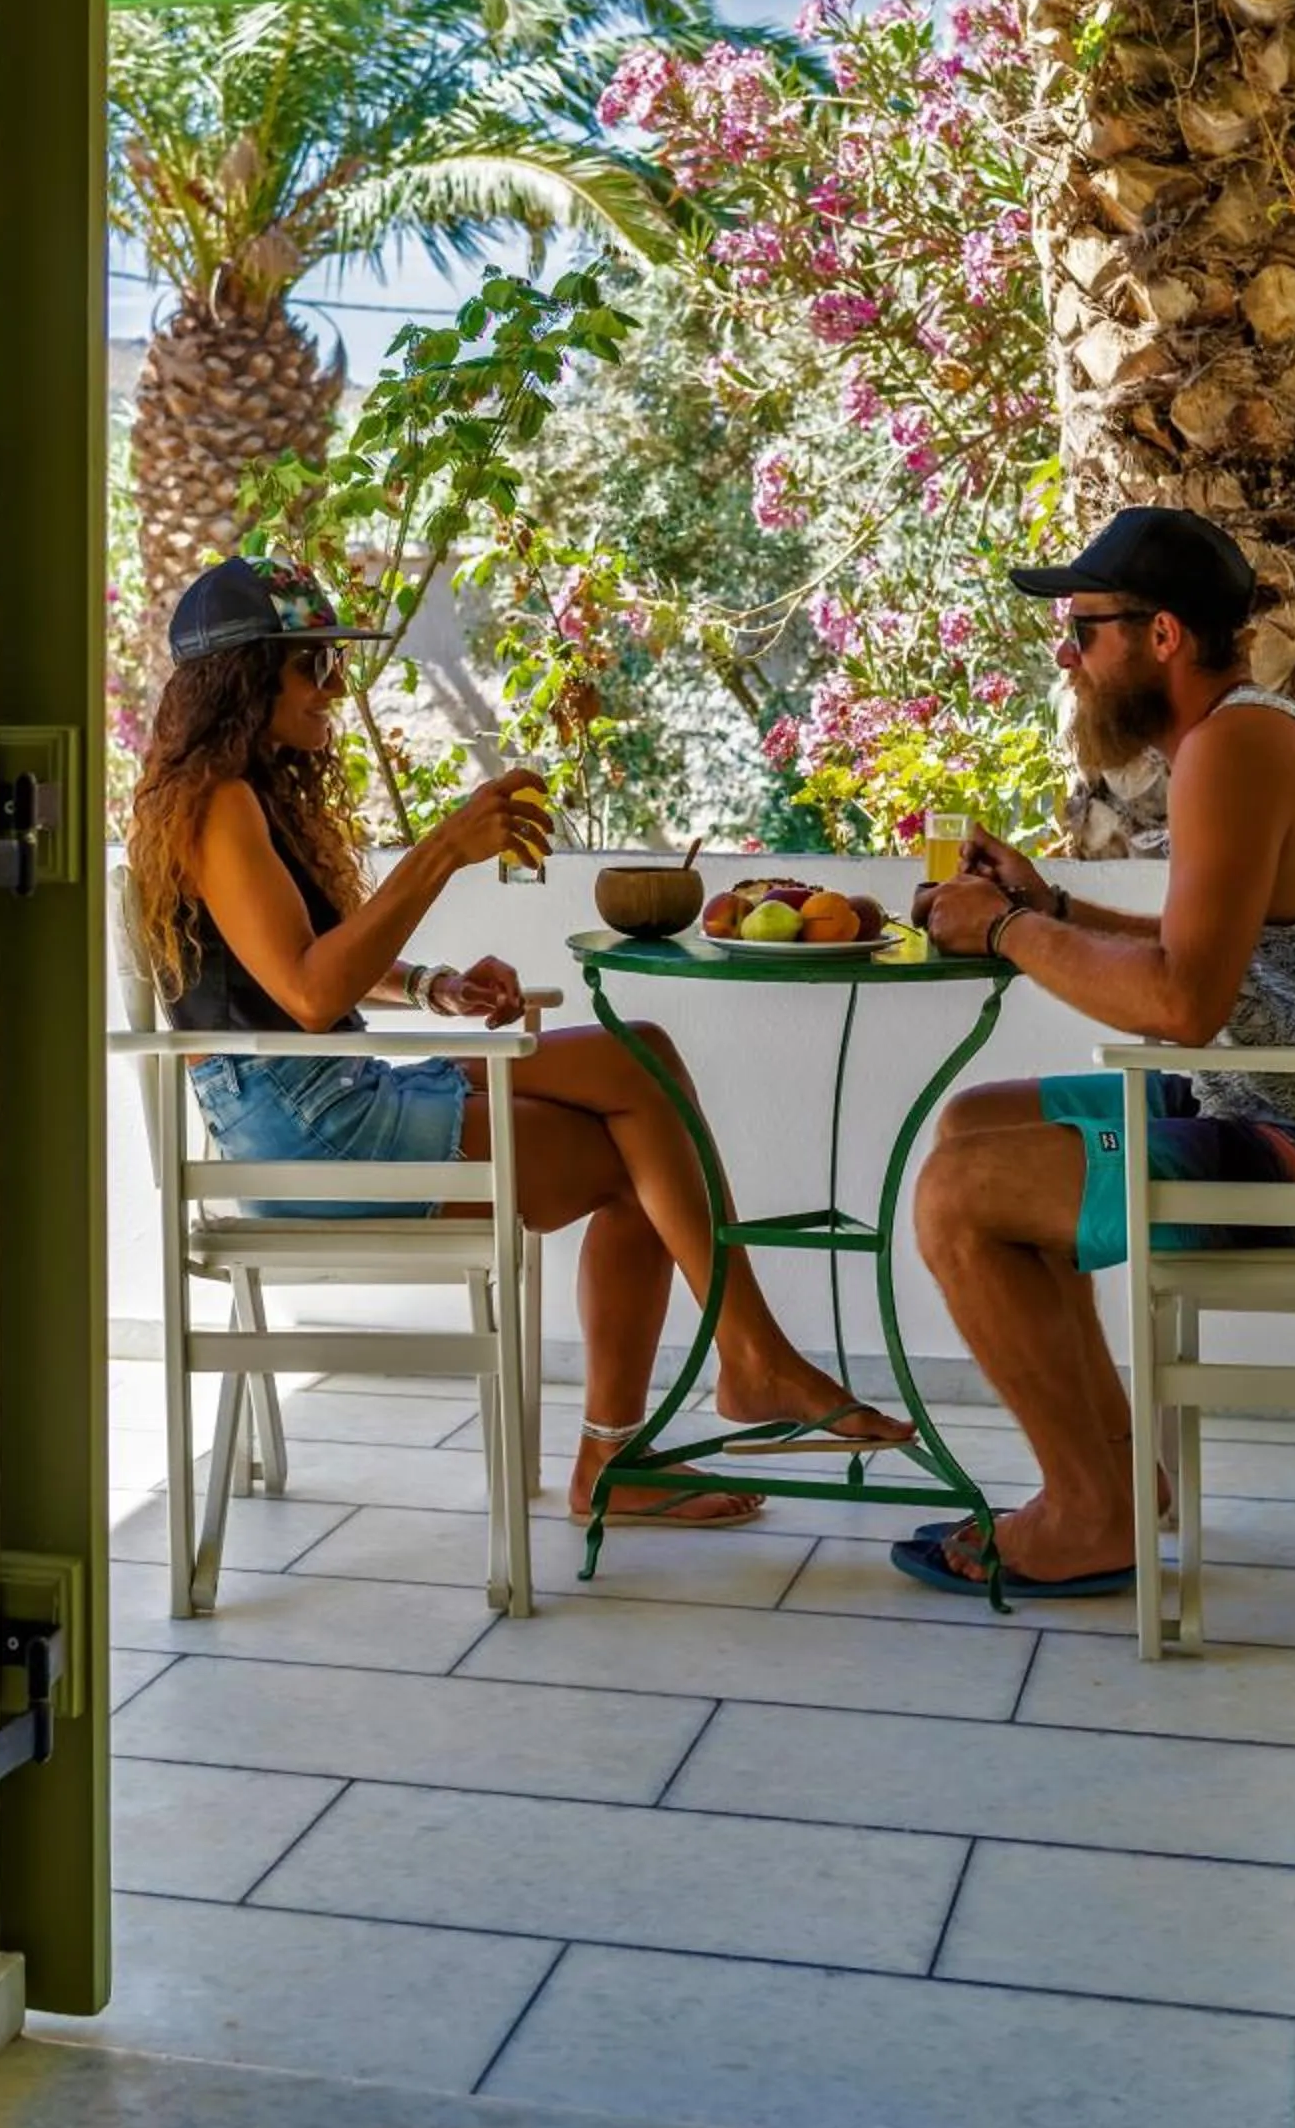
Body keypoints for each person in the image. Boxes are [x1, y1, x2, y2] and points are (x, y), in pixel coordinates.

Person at [124, 553, 909, 1532]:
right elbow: (310, 992)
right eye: (312, 667)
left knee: (644, 1075)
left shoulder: (224, 793)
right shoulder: (219, 806)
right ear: (247, 678)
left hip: (317, 1102)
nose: (332, 689)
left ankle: (723, 1385)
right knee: (642, 1132)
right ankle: (698, 1403)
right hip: (309, 1127)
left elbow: (294, 961)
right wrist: (444, 851)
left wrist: (430, 985)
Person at [890, 506, 1295, 1602]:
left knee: (958, 1193)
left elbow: (1180, 1004)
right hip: (1266, 1102)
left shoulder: (1231, 749)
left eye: (1083, 627)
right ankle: (1121, 1482)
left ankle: (1088, 1514)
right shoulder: (1243, 735)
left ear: (1163, 636)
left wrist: (1002, 930)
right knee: (977, 1122)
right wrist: (1051, 903)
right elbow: (1206, 954)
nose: (1065, 651)